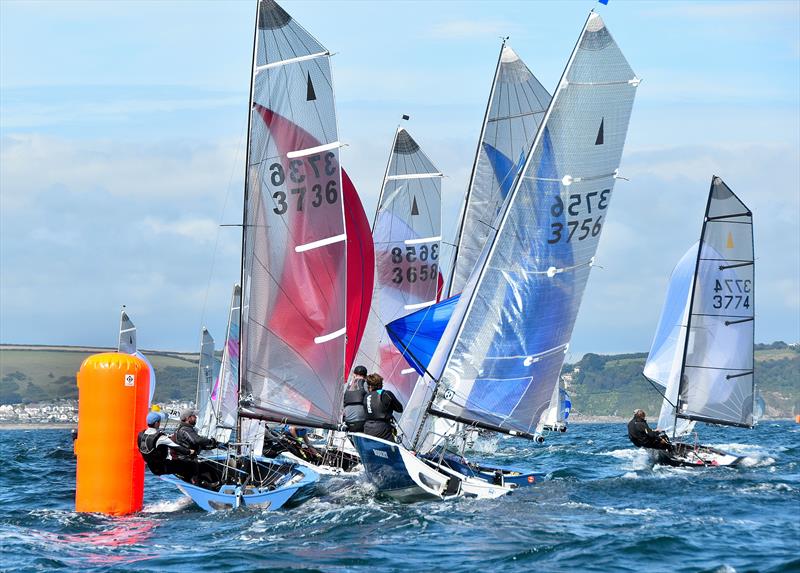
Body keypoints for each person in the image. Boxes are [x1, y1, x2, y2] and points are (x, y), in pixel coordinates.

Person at [137, 411, 198, 481]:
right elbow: (179, 448)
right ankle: (194, 482)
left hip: (151, 467)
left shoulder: (141, 434)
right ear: (156, 423)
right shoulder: (160, 437)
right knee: (191, 464)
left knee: (179, 463)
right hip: (162, 468)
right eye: (159, 421)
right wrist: (190, 451)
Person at [363, 373, 403, 442]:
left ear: (369, 386)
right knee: (392, 449)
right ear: (380, 385)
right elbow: (400, 409)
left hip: (367, 429)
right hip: (382, 429)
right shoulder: (385, 394)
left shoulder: (366, 396)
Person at [342, 365, 368, 432]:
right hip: (362, 422)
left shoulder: (347, 386)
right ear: (365, 376)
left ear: (354, 374)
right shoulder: (366, 385)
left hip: (348, 422)